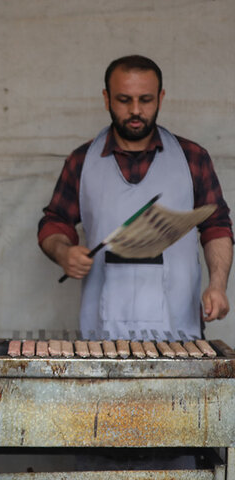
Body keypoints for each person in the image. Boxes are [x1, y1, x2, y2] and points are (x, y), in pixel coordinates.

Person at [38, 55, 233, 341]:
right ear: (106, 99)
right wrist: (63, 252)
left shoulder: (193, 158)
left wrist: (218, 286)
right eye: (123, 99)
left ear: (161, 98)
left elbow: (216, 227)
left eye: (146, 99)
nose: (135, 110)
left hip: (179, 332)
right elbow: (54, 222)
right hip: (101, 334)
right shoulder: (82, 161)